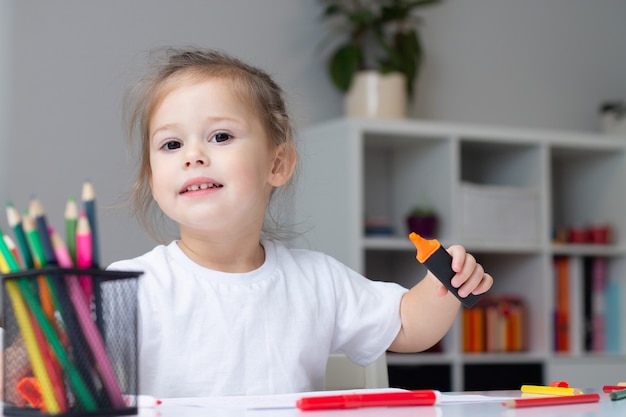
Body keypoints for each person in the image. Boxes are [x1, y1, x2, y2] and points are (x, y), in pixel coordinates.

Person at [107, 47, 493, 398]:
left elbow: (409, 326)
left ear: (277, 164)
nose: (192, 155)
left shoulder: (317, 280)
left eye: (220, 136)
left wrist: (444, 283)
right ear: (152, 179)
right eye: (171, 144)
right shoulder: (127, 286)